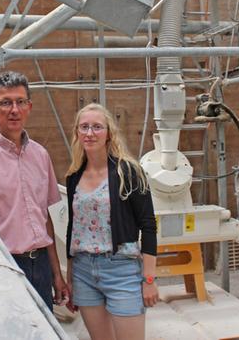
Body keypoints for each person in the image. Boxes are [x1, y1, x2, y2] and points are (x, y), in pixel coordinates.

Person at [0, 70, 68, 311]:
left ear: (29, 107)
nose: (14, 110)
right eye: (6, 103)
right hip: (2, 266)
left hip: (41, 266)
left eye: (20, 102)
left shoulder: (40, 155)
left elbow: (44, 218)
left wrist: (56, 274)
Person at [65, 103, 158, 340]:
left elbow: (148, 226)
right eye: (84, 127)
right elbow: (73, 226)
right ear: (77, 132)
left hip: (122, 269)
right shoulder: (74, 176)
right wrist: (71, 276)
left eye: (97, 127)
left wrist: (149, 279)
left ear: (109, 133)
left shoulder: (128, 171)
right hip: (84, 270)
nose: (90, 133)